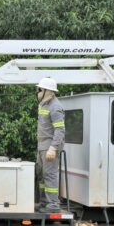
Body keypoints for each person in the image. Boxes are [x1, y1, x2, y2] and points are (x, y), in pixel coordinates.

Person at [35, 77, 65, 213]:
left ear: (48, 91)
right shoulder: (43, 104)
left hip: (49, 147)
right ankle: (44, 202)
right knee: (41, 174)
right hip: (41, 147)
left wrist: (53, 148)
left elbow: (60, 130)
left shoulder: (55, 107)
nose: (38, 92)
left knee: (50, 175)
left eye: (40, 89)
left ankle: (53, 204)